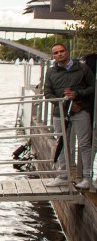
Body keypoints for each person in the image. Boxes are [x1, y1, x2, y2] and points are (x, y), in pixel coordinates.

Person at [45, 43, 95, 189]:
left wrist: (77, 94)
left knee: (85, 144)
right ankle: (63, 176)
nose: (59, 54)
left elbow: (92, 87)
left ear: (67, 52)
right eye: (56, 53)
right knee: (62, 143)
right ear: (53, 56)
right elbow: (48, 93)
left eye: (61, 51)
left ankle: (87, 178)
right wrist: (65, 102)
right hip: (59, 112)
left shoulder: (82, 68)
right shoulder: (51, 72)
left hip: (80, 110)